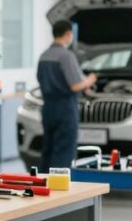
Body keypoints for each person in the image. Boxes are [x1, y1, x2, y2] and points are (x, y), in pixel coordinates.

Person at [37, 19, 97, 172]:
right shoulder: (66, 55)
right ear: (68, 34)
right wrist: (90, 80)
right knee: (64, 151)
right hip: (65, 108)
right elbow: (75, 85)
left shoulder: (44, 55)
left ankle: (44, 186)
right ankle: (59, 189)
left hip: (48, 108)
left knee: (48, 149)